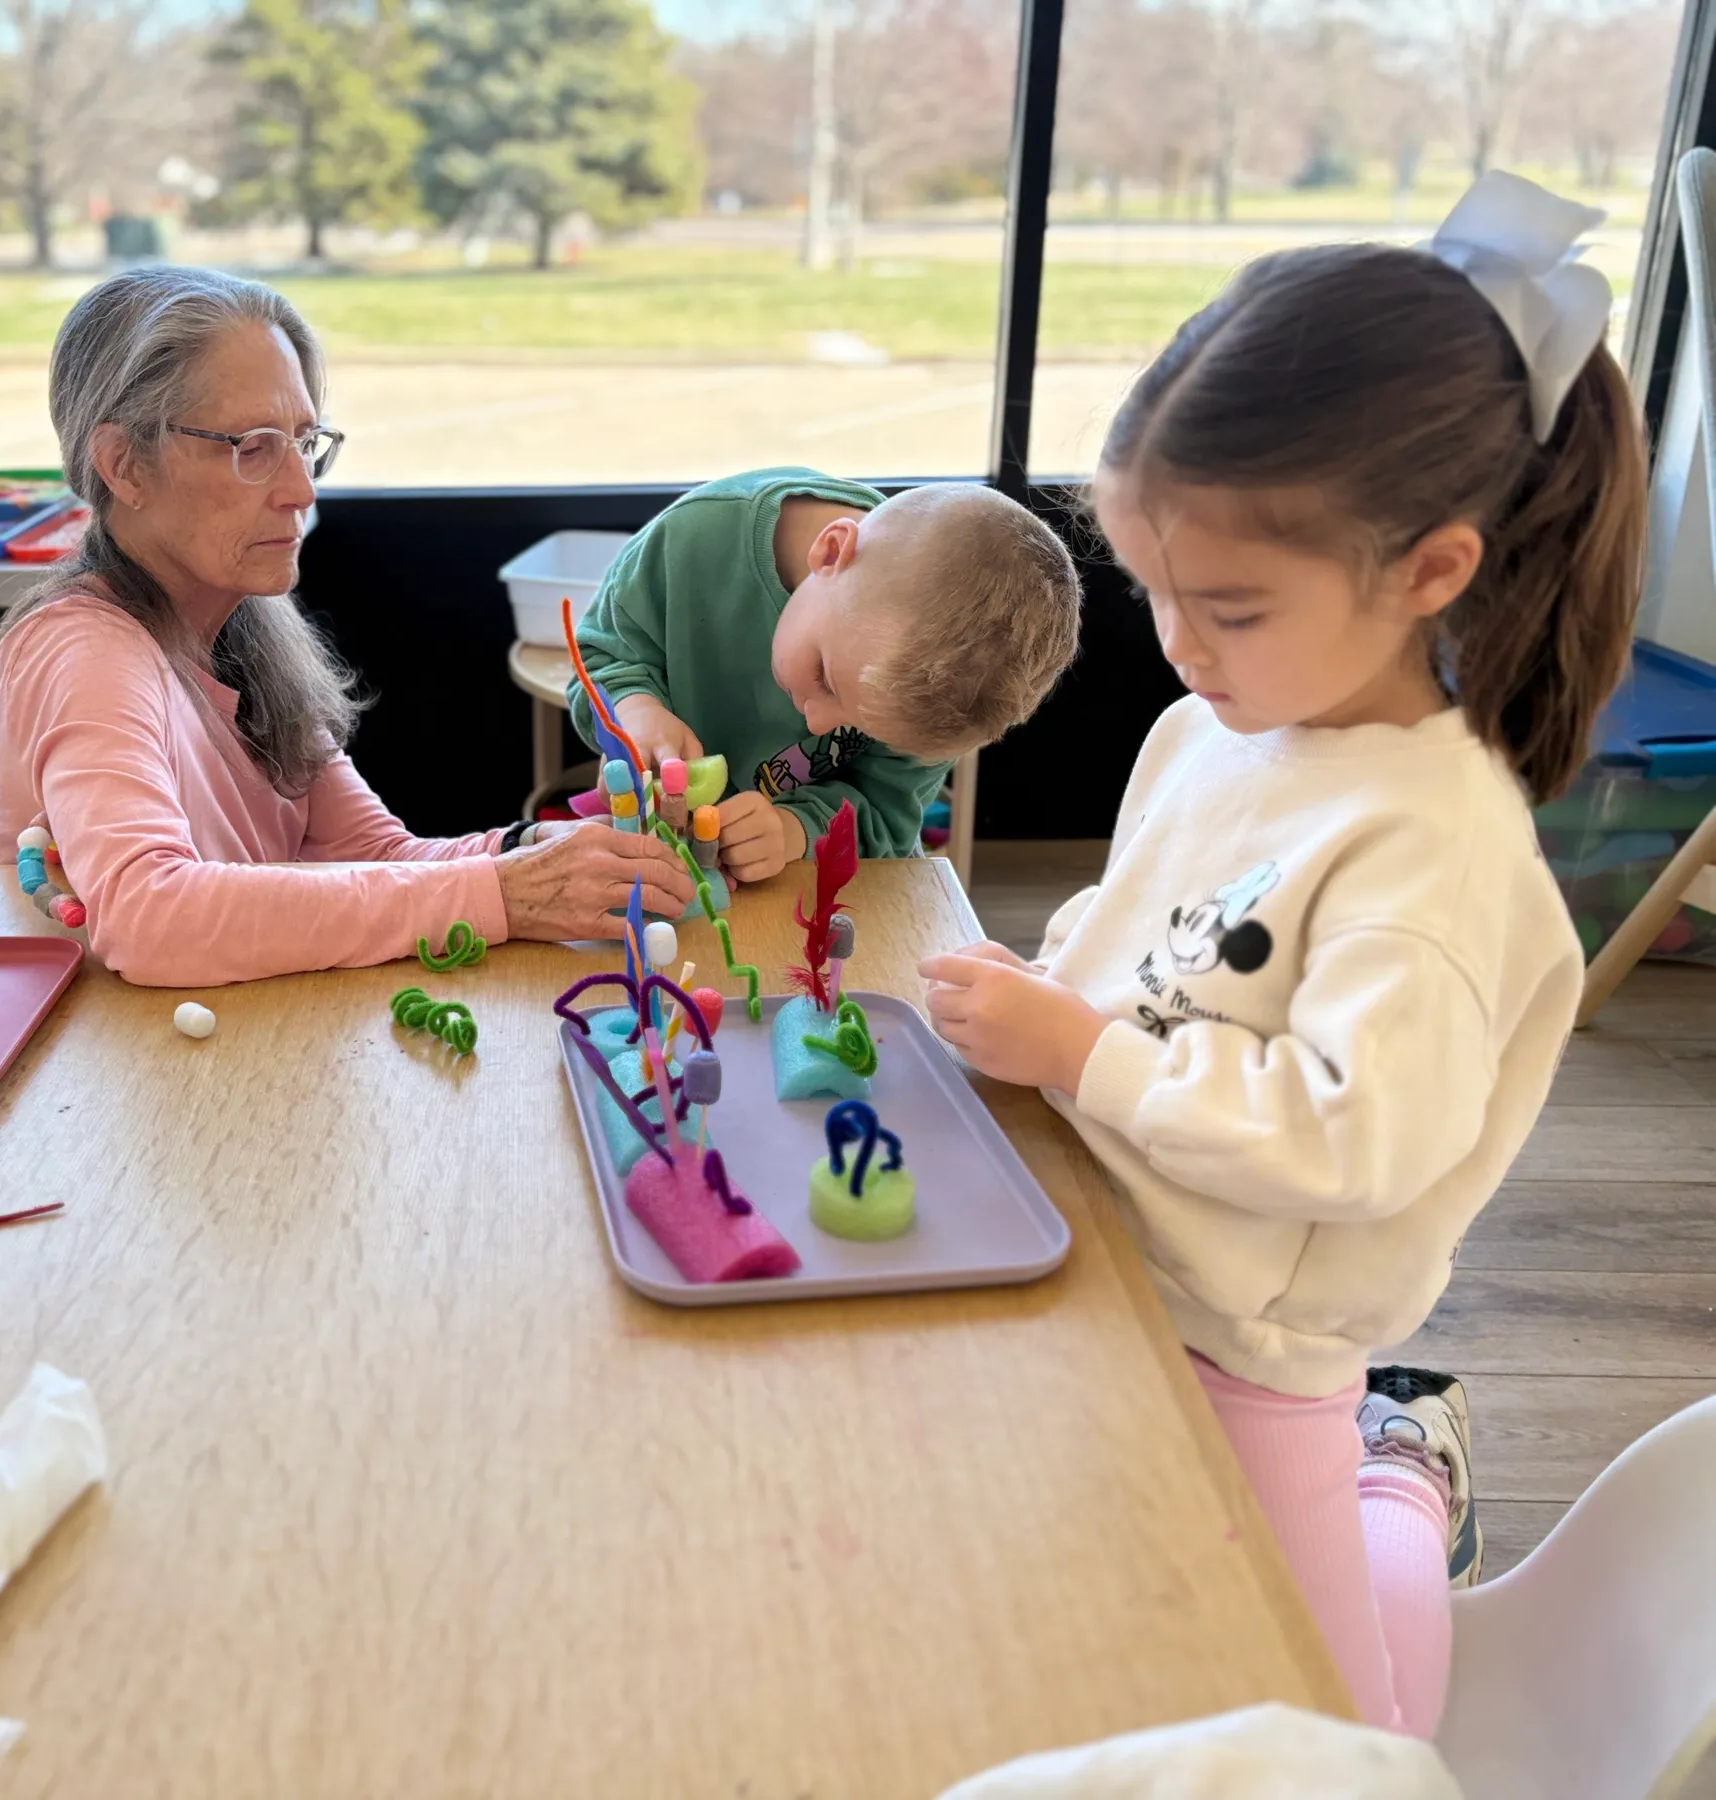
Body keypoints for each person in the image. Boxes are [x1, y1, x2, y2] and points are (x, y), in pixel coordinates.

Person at [917, 172, 1646, 1736]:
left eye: (1229, 605)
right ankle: (1389, 1477)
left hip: (1259, 1345)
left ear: (1431, 571)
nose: (1177, 643)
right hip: (1118, 1267)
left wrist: (1082, 1051)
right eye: (1154, 589)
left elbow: (1353, 1140)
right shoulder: (1211, 724)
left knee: (1339, 1747)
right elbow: (1134, 943)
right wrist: (1040, 1011)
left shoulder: (1435, 845)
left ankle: (1394, 1474)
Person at [0, 266, 695, 987]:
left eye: (303, 441)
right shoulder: (83, 645)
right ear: (124, 465)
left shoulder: (241, 623)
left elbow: (376, 859)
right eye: (251, 448)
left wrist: (536, 850)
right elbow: (148, 917)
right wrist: (504, 892)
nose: (300, 491)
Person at [567, 469, 1079, 878]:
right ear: (831, 551)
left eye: (859, 723)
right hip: (648, 861)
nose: (816, 723)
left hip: (793, 891)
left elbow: (885, 818)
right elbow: (599, 654)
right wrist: (634, 709)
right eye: (827, 680)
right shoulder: (694, 538)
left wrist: (794, 830)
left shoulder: (947, 688)